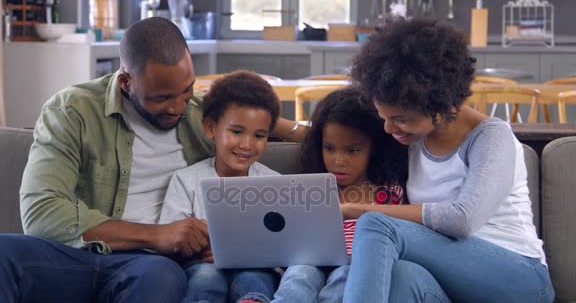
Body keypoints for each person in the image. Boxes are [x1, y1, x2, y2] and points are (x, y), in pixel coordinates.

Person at [0, 17, 303, 302]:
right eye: (161, 98)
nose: (177, 107)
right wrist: (158, 235)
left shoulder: (199, 112)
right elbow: (41, 214)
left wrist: (294, 129)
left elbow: (251, 118)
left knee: (162, 278)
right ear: (125, 83)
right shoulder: (72, 111)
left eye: (186, 91)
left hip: (147, 266)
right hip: (73, 256)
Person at [340, 18, 555, 302]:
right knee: (402, 276)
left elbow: (461, 219)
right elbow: (336, 134)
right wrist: (274, 124)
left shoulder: (491, 138)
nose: (389, 129)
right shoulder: (410, 136)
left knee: (376, 224)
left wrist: (354, 209)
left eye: (401, 119)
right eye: (384, 118)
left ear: (443, 105)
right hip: (451, 280)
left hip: (520, 278)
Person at [273, 86, 409, 303]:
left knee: (345, 278)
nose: (339, 161)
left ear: (373, 147)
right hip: (310, 261)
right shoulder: (310, 186)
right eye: (329, 148)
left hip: (356, 265)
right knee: (298, 275)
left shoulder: (389, 191)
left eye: (352, 150)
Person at [160, 71, 283, 303]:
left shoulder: (274, 183)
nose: (247, 144)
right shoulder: (186, 180)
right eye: (236, 132)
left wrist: (237, 252)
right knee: (206, 278)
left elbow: (284, 243)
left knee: (254, 279)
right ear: (210, 129)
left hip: (256, 267)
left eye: (259, 135)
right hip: (202, 266)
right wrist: (198, 246)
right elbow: (171, 239)